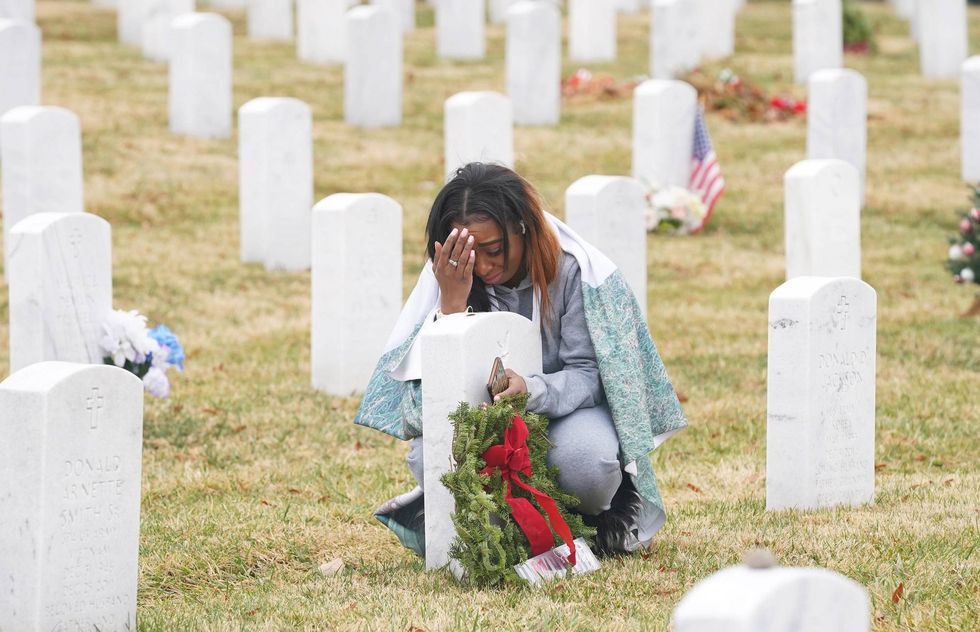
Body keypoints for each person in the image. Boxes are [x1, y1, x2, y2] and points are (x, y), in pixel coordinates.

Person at [354, 163, 687, 557]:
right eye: (471, 255)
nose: (485, 267)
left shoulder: (572, 271)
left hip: (568, 414)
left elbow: (590, 375)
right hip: (485, 415)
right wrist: (452, 304)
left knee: (587, 460)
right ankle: (498, 528)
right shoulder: (452, 278)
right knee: (430, 456)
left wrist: (532, 389)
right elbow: (422, 409)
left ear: (522, 227)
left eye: (494, 250)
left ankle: (592, 518)